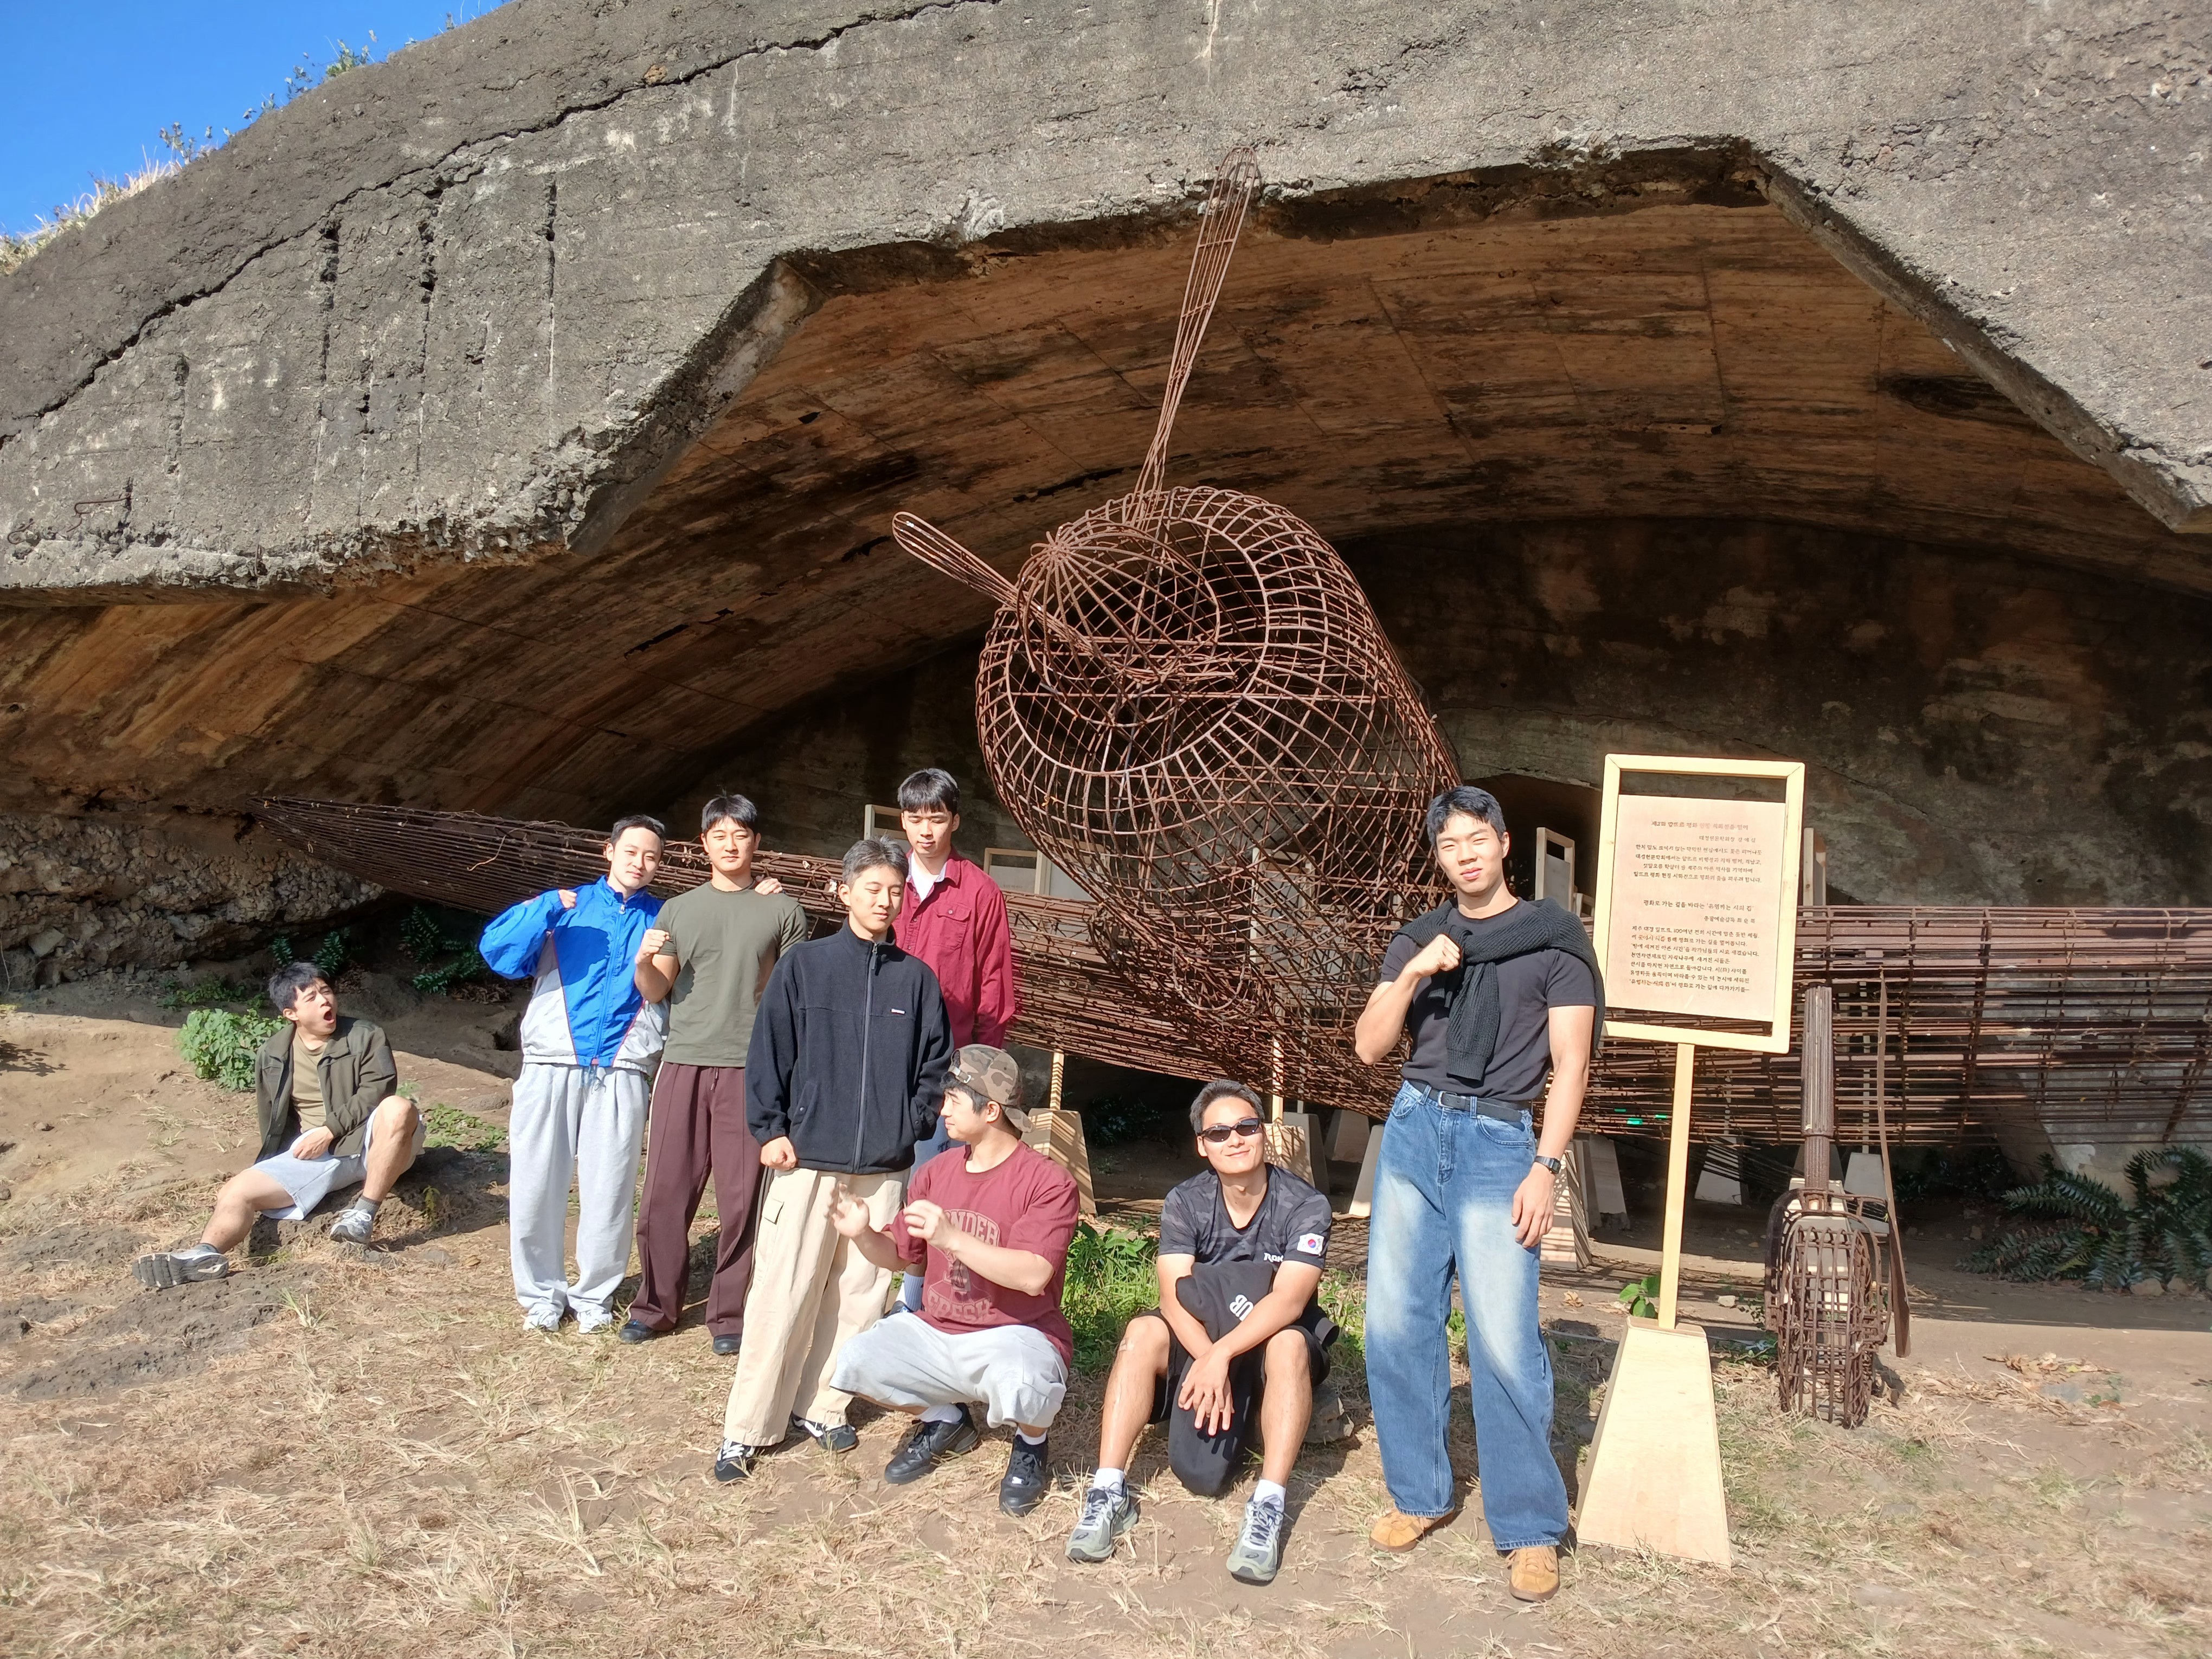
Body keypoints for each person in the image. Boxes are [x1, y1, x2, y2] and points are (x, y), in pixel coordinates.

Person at [1351, 784, 1600, 1603]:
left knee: (1502, 1338)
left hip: (1500, 1143)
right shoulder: (1419, 938)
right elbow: (1369, 1046)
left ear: (1503, 842)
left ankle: (1530, 1526)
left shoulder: (1555, 941)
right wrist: (1416, 970)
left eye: (1476, 839)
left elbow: (1572, 1066)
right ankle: (1419, 1493)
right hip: (1413, 1131)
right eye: (1449, 844)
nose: (1464, 854)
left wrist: (1546, 1167)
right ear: (1439, 857)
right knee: (1396, 1324)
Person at [713, 838, 953, 1482]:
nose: (885, 900)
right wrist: (770, 1129)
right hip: (806, 1159)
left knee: (860, 1295)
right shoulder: (806, 966)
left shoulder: (916, 979)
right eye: (872, 888)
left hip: (883, 1167)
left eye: (896, 890)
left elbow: (934, 1066)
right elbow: (768, 1052)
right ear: (844, 892)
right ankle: (748, 1428)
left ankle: (823, 1407)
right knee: (783, 1291)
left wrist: (909, 1127)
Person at [1066, 1081, 1335, 1587]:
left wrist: (1220, 1357)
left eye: (1246, 1127)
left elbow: (1289, 1300)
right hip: (1202, 1333)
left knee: (1289, 1343)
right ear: (1201, 1145)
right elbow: (1172, 1296)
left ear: (1264, 1133)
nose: (1235, 1139)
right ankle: (1108, 1491)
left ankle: (1269, 1504)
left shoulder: (1306, 1204)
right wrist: (1208, 1355)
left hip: (1270, 1337)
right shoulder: (1185, 1201)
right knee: (1141, 1333)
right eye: (1219, 1133)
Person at [825, 1044, 1079, 1515]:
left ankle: (1031, 1443)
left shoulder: (1048, 1182)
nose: (942, 1110)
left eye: (953, 1101)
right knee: (858, 1360)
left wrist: (954, 1238)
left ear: (991, 1110)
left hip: (1016, 1333)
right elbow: (900, 1254)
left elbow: (1033, 1276)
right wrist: (862, 1234)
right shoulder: (935, 1172)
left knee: (1026, 1385)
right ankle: (948, 1421)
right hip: (938, 1329)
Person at [622, 794, 808, 1353]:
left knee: (741, 1199)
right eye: (719, 835)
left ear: (757, 842)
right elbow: (656, 989)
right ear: (703, 843)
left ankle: (730, 1315)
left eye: (741, 835)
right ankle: (655, 1306)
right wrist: (642, 961)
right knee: (665, 1192)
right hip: (683, 1061)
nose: (731, 845)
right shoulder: (679, 911)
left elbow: (790, 998)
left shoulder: (783, 911)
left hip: (750, 1069)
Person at [480, 814, 670, 1334]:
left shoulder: (665, 918)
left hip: (623, 1066)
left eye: (651, 856)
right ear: (609, 851)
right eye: (631, 851)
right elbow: (499, 954)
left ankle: (594, 1297)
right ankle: (540, 1295)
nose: (640, 863)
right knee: (536, 1183)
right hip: (551, 1061)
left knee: (610, 1189)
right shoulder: (566, 907)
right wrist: (544, 907)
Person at [132, 963, 423, 1287]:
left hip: (375, 1139)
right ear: (291, 1013)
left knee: (398, 1108)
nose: (325, 1001)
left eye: (326, 992)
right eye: (312, 998)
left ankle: (362, 1215)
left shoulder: (365, 1035)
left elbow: (378, 1091)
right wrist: (277, 1159)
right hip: (323, 1152)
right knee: (236, 1191)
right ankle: (204, 1255)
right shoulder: (273, 1053)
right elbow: (272, 1114)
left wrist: (329, 1130)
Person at [888, 768, 1020, 1311]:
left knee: (932, 1177)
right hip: (881, 1054)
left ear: (956, 821)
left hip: (945, 1063)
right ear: (902, 821)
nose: (926, 831)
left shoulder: (980, 891)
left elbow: (995, 983)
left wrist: (980, 1070)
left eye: (937, 819)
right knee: (876, 1173)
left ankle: (916, 1297)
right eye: (916, 819)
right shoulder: (885, 882)